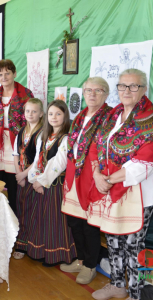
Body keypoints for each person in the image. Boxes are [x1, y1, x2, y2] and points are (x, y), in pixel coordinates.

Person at [89, 69, 153, 300]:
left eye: (133, 86)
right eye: (122, 86)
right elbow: (96, 145)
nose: (127, 91)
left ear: (144, 89)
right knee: (113, 240)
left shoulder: (150, 119)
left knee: (134, 246)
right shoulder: (112, 115)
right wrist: (97, 175)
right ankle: (117, 284)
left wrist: (105, 179)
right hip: (110, 189)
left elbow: (143, 163)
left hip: (139, 194)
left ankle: (137, 294)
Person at [61, 77, 112, 284]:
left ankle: (91, 265)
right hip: (74, 174)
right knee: (74, 220)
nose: (92, 94)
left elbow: (109, 150)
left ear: (106, 94)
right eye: (88, 90)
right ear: (83, 93)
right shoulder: (80, 115)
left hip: (93, 175)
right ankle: (81, 260)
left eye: (98, 90)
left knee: (90, 223)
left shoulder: (109, 117)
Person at [25, 100, 77, 266]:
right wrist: (34, 179)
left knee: (54, 220)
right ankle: (41, 250)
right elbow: (37, 160)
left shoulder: (66, 138)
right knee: (41, 218)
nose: (54, 117)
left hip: (55, 185)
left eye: (58, 114)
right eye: (51, 114)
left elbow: (58, 164)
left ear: (65, 116)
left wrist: (41, 181)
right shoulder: (43, 135)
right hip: (41, 182)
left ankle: (56, 255)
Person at [0, 59, 34, 214]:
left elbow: (33, 121)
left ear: (14, 74)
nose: (4, 77)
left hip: (17, 145)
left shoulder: (26, 95)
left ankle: (16, 225)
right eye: (0, 74)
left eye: (7, 73)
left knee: (14, 187)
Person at [13, 98, 44, 259]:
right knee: (21, 210)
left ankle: (32, 245)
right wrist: (18, 174)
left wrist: (24, 174)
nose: (30, 114)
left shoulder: (42, 133)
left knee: (33, 212)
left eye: (34, 111)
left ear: (41, 114)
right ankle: (21, 244)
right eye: (27, 111)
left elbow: (39, 158)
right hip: (21, 178)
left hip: (34, 177)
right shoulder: (21, 132)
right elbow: (15, 154)